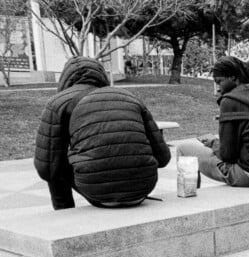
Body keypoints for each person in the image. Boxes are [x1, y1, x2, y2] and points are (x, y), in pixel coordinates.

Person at [34, 56, 171, 209]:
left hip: (97, 193)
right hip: (141, 189)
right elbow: (163, 158)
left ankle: (65, 214)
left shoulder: (58, 103)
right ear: (101, 74)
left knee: (52, 162)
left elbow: (45, 170)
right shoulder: (129, 98)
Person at [176, 56, 249, 187]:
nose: (218, 87)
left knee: (183, 149)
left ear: (234, 77)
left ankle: (189, 194)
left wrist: (214, 143)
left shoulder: (229, 101)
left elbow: (228, 156)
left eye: (219, 81)